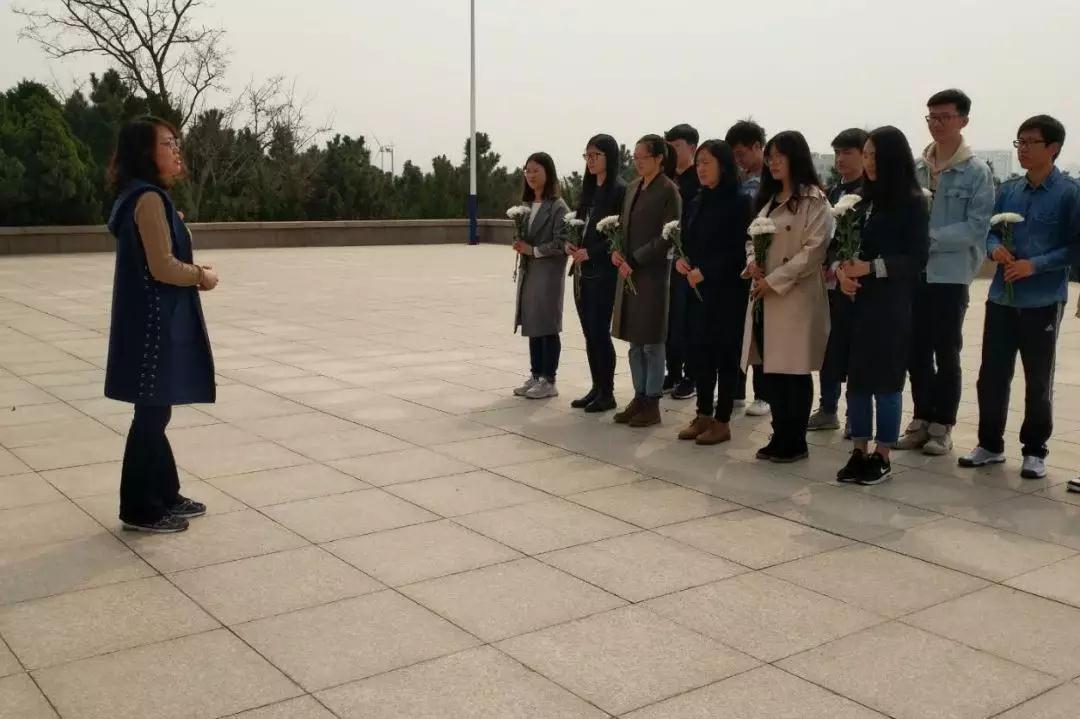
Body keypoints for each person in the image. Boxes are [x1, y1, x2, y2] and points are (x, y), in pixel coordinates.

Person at [105, 116, 218, 534]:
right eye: (168, 144)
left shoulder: (142, 197)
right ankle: (140, 509)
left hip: (148, 321)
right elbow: (163, 266)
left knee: (156, 411)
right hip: (154, 325)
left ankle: (166, 494)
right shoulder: (149, 199)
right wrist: (202, 275)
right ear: (145, 153)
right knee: (151, 414)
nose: (176, 151)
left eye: (175, 143)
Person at [960, 115, 1080, 480]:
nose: (1023, 149)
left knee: (1038, 379)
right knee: (992, 376)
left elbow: (1075, 247)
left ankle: (1034, 450)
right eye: (1019, 142)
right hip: (1002, 299)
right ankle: (990, 445)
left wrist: (1035, 265)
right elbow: (989, 230)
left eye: (1031, 142)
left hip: (1042, 300)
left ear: (1053, 148)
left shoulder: (1069, 193)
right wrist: (994, 248)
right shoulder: (1009, 190)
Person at [896, 89, 994, 455]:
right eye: (931, 117)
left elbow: (976, 227)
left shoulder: (977, 172)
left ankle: (943, 425)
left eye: (944, 117)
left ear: (963, 120)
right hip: (915, 274)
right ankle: (921, 418)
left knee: (947, 352)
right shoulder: (917, 167)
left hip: (950, 275)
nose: (936, 124)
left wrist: (929, 239)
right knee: (915, 351)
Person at [835, 127, 930, 485]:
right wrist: (842, 272)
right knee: (857, 381)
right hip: (856, 302)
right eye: (866, 154)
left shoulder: (912, 201)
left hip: (890, 305)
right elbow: (839, 248)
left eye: (875, 155)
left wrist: (872, 268)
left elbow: (916, 259)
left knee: (886, 381)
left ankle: (883, 454)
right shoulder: (860, 201)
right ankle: (859, 449)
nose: (869, 161)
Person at [742, 130, 831, 462]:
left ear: (797, 158)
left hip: (795, 297)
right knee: (771, 370)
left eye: (780, 156)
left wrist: (775, 279)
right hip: (765, 295)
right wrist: (752, 264)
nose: (773, 163)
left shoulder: (813, 200)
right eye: (770, 157)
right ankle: (780, 433)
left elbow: (813, 251)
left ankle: (795, 440)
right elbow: (752, 239)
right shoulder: (768, 200)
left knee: (794, 370)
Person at [675, 140, 754, 445]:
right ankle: (703, 414)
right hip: (697, 290)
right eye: (698, 163)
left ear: (723, 164)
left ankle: (722, 420)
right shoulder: (697, 201)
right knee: (700, 353)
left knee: (725, 355)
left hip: (727, 291)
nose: (701, 168)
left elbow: (739, 249)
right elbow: (687, 240)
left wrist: (707, 270)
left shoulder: (740, 202)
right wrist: (682, 260)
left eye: (707, 162)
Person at [611, 135, 682, 427]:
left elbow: (668, 235)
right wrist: (616, 250)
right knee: (635, 342)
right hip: (628, 272)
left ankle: (652, 401)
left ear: (659, 159)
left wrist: (637, 258)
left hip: (651, 274)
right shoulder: (633, 187)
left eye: (643, 157)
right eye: (636, 157)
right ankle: (639, 396)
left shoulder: (669, 191)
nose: (638, 162)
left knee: (652, 341)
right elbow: (622, 225)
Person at [808, 128, 868, 435]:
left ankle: (856, 416)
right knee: (828, 349)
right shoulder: (830, 193)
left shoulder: (871, 194)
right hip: (829, 284)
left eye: (847, 152)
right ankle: (828, 408)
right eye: (837, 153)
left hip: (858, 283)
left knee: (857, 351)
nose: (840, 159)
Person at [567, 135, 626, 413]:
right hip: (582, 272)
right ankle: (596, 387)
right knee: (589, 332)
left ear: (609, 157)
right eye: (587, 156)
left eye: (595, 155)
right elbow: (582, 225)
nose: (590, 161)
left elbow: (620, 234)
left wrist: (592, 252)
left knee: (599, 331)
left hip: (603, 272)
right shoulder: (589, 190)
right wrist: (572, 243)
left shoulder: (619, 190)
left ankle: (608, 392)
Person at [512, 152, 570, 400]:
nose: (531, 175)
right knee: (532, 323)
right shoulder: (525, 205)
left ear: (548, 172)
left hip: (547, 273)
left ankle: (549, 379)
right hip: (529, 272)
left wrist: (533, 250)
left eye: (536, 170)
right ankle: (536, 375)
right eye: (528, 171)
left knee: (547, 325)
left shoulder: (558, 207)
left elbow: (562, 243)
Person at [726, 119, 771, 418]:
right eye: (734, 156)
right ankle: (735, 390)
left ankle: (764, 394)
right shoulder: (737, 181)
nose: (738, 160)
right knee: (737, 331)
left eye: (741, 154)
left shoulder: (770, 182)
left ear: (758, 147)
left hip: (761, 266)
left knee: (760, 330)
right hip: (738, 263)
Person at [662, 124, 701, 401]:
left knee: (688, 321)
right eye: (669, 147)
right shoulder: (665, 179)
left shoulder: (697, 181)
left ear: (692, 148)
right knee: (670, 321)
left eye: (677, 147)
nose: (672, 152)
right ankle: (672, 371)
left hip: (690, 261)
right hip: (666, 260)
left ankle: (691, 376)